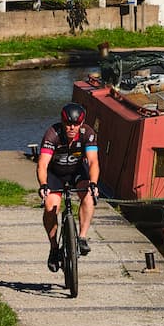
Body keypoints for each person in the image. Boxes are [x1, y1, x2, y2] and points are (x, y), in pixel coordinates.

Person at [37, 102, 101, 272]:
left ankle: (82, 237)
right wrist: (43, 185)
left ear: (81, 123)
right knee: (51, 205)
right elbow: (42, 164)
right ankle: (54, 248)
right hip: (56, 174)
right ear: (62, 121)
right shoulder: (52, 133)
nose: (71, 128)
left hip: (77, 172)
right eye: (68, 124)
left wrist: (93, 183)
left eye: (76, 124)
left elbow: (93, 161)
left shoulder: (87, 133)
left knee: (89, 195)